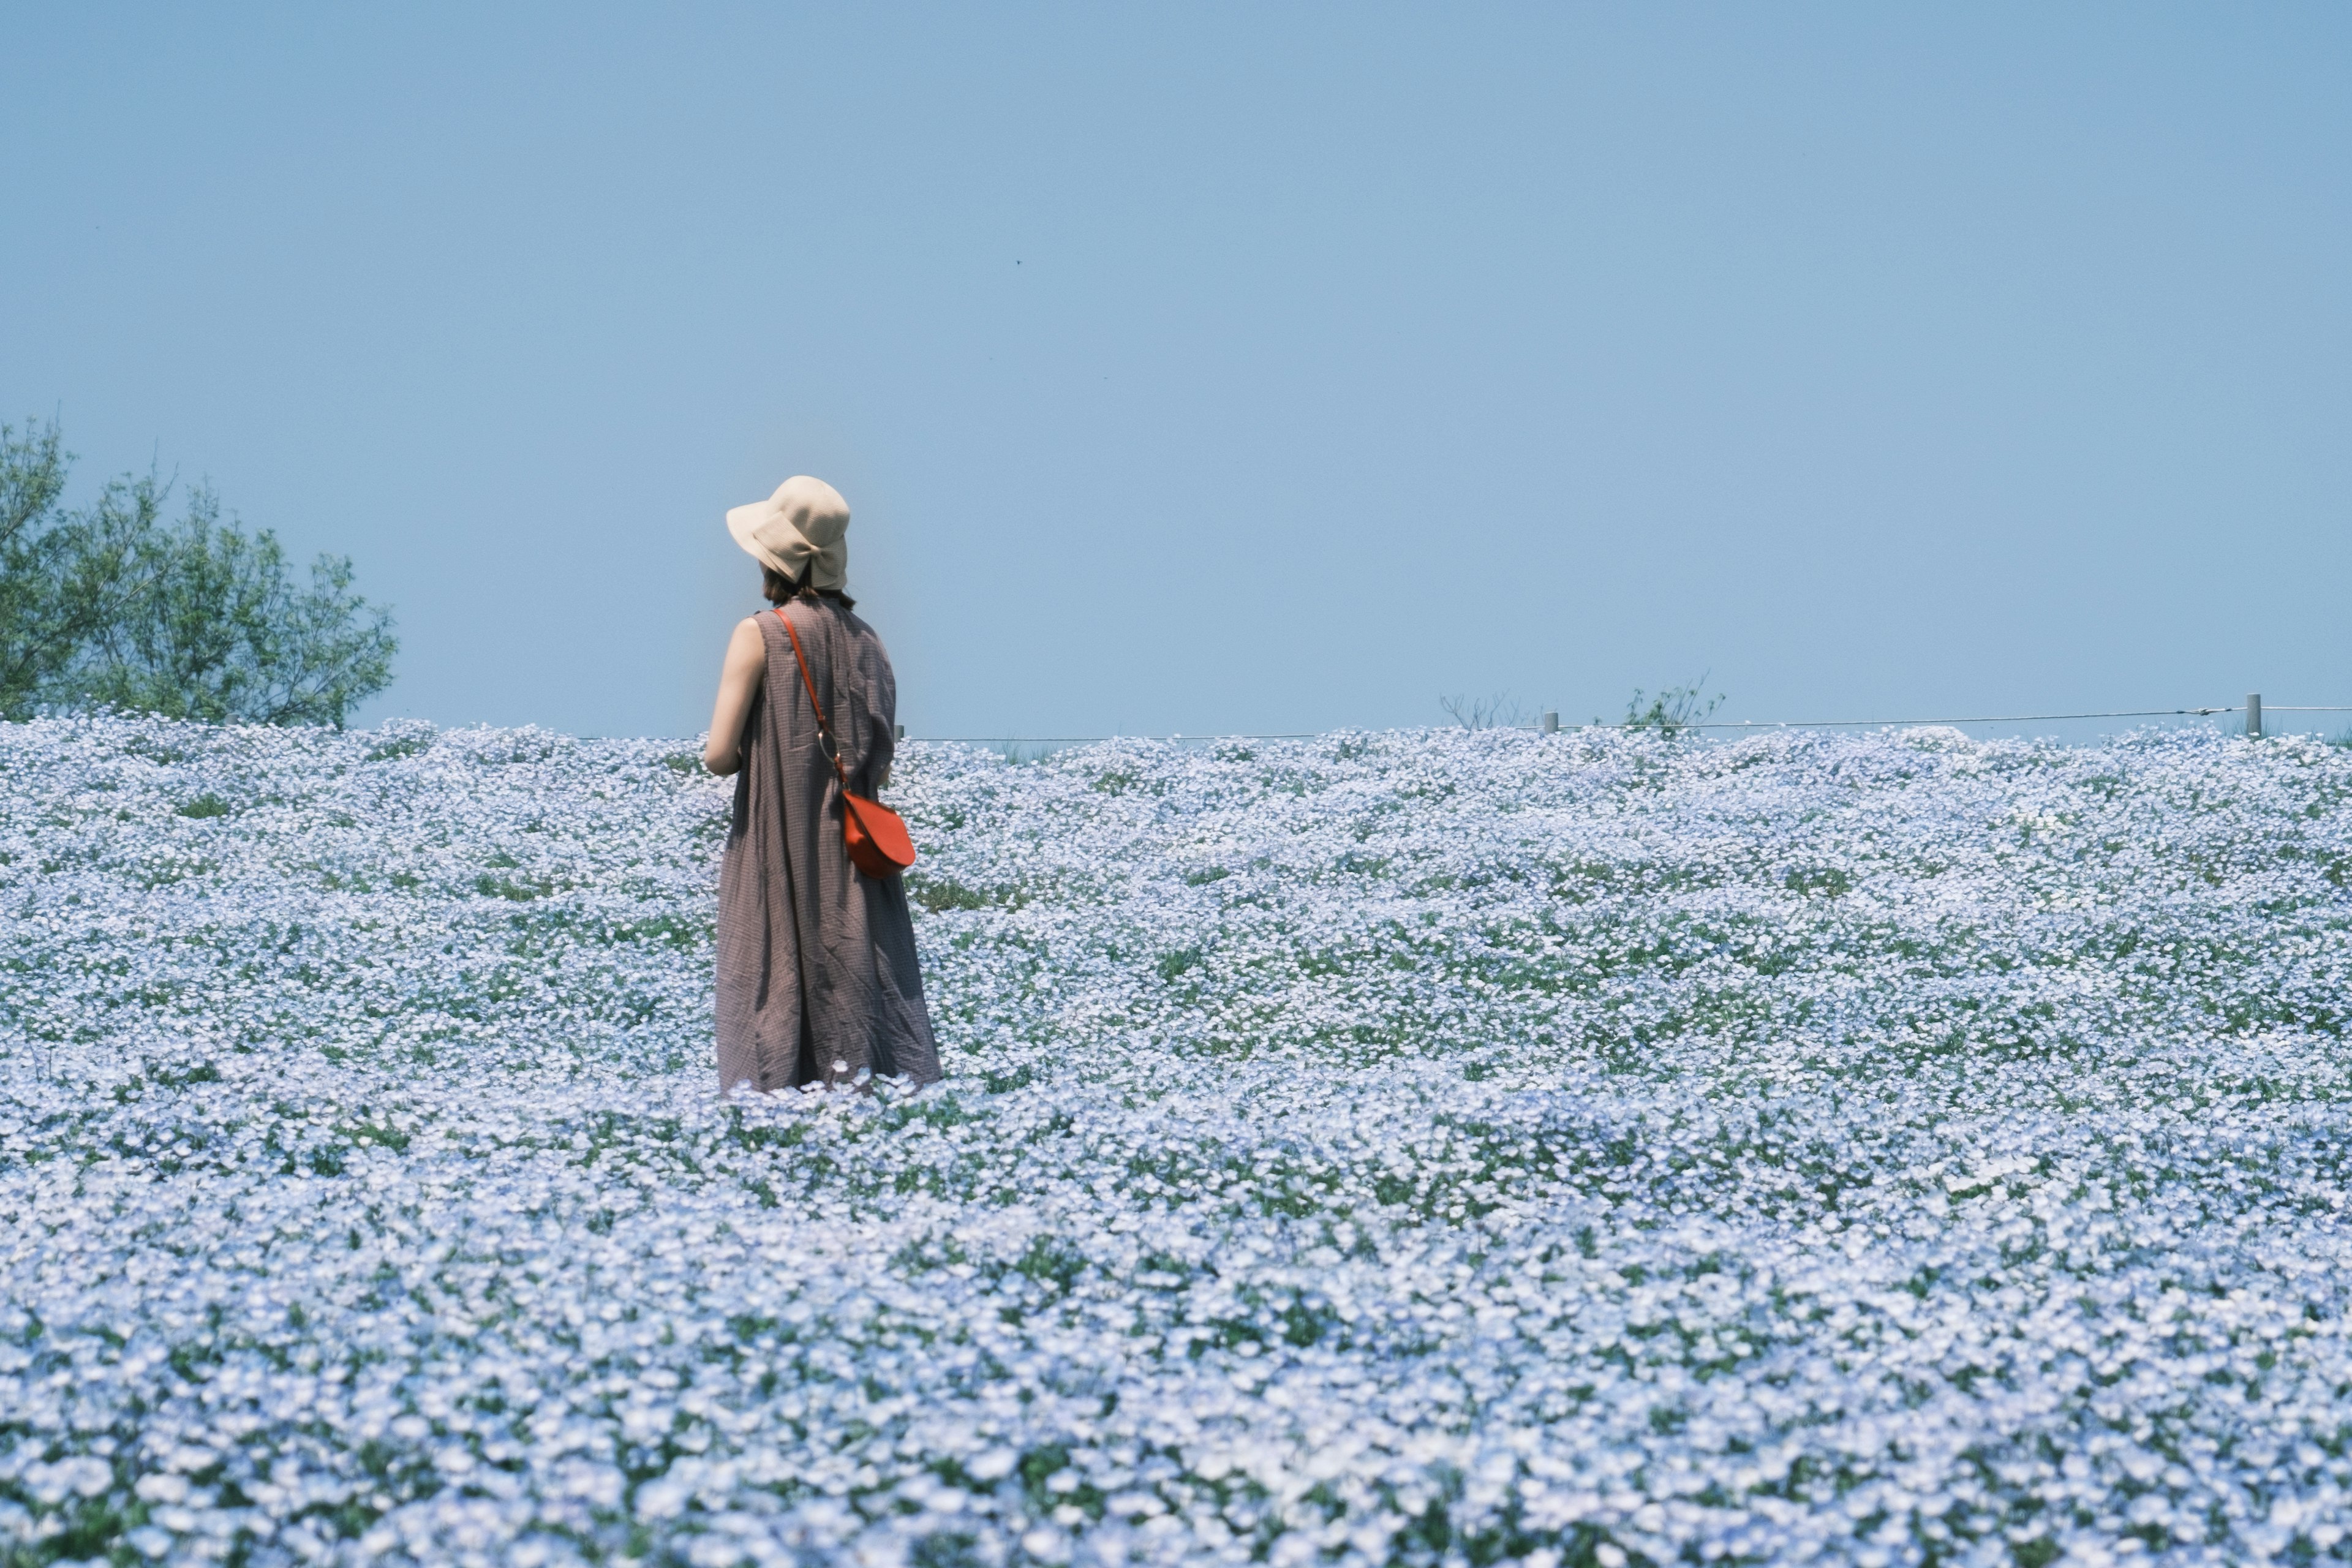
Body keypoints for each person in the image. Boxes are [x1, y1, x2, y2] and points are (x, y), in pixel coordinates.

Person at [704, 475, 941, 1093]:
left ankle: (773, 1125)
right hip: (857, 853)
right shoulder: (873, 646)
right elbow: (878, 757)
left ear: (775, 557)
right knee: (858, 981)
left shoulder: (760, 633)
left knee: (772, 975)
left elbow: (719, 755)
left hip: (781, 843)